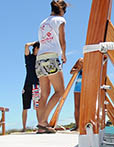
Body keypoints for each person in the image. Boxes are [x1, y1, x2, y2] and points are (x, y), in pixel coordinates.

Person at [35, 0, 68, 134]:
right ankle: (43, 121)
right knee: (60, 91)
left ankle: (42, 124)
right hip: (51, 58)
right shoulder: (60, 20)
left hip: (40, 59)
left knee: (44, 94)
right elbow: (62, 40)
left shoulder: (43, 23)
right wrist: (64, 55)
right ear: (61, 10)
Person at [22, 41, 40, 131]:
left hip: (37, 85)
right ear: (36, 48)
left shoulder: (40, 59)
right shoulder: (29, 57)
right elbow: (26, 45)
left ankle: (40, 125)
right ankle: (24, 128)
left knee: (38, 107)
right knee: (25, 107)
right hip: (27, 84)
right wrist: (35, 43)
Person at [71, 57, 83, 131]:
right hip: (78, 84)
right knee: (77, 106)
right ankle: (77, 126)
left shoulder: (94, 59)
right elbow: (71, 71)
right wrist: (78, 69)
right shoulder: (80, 60)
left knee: (85, 106)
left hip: (88, 85)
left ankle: (83, 125)